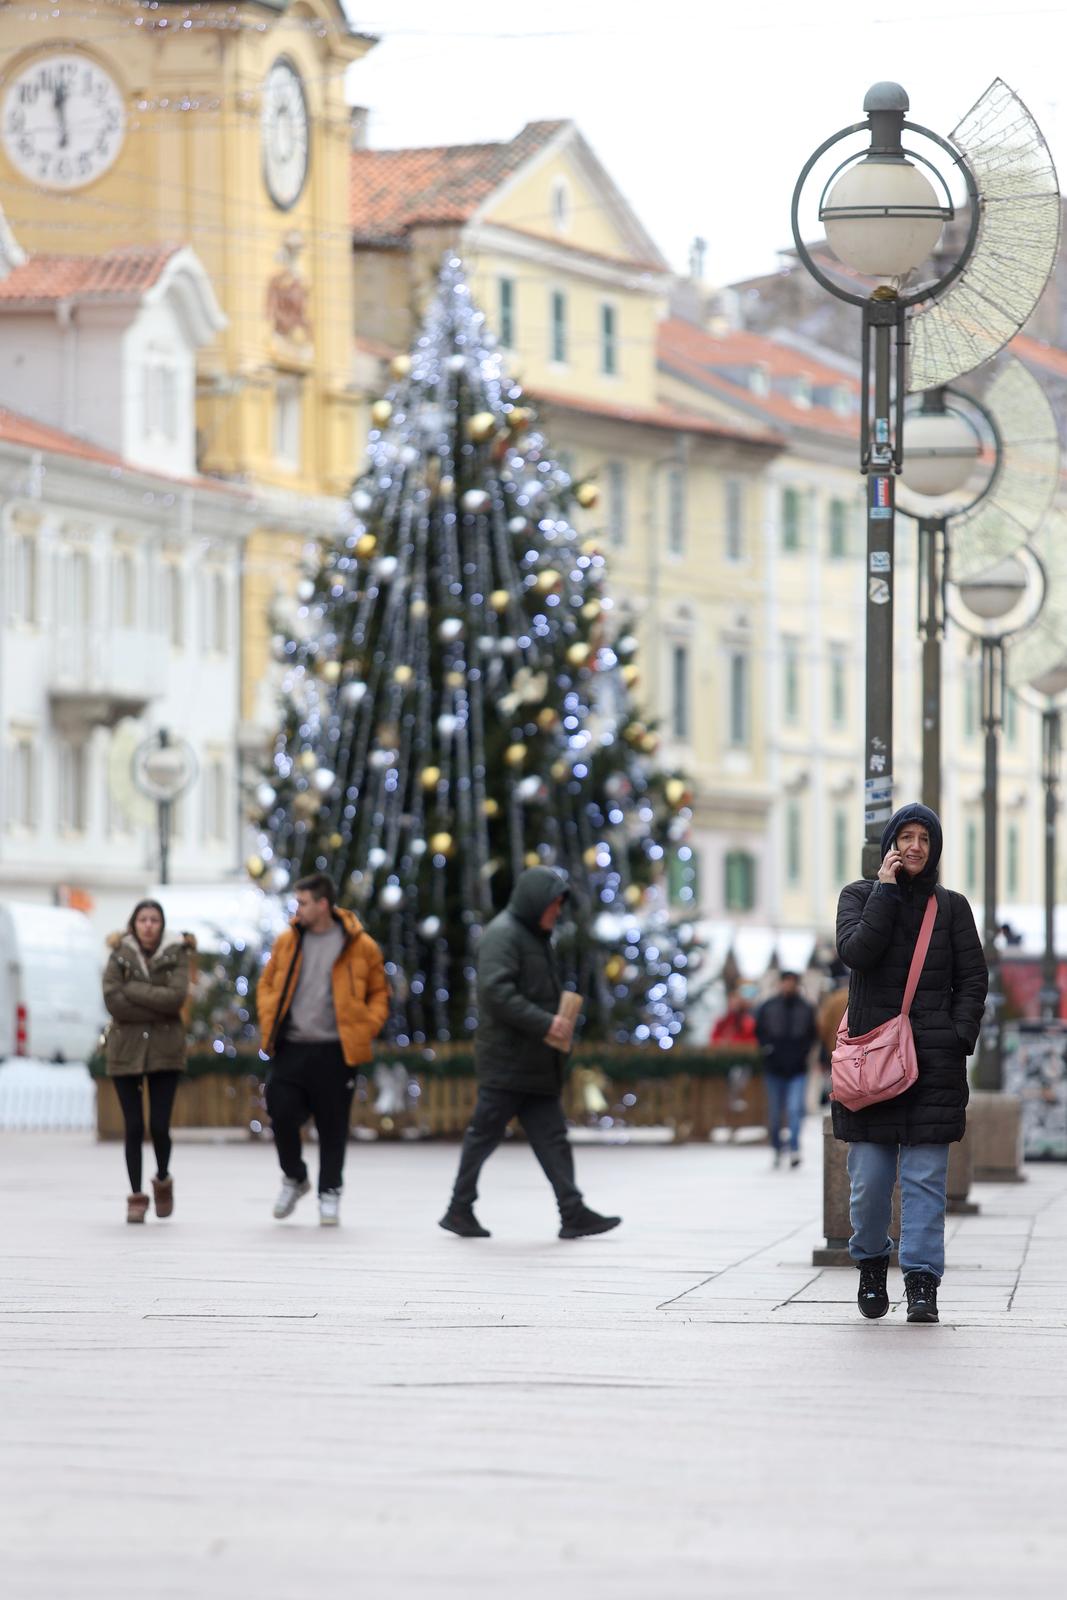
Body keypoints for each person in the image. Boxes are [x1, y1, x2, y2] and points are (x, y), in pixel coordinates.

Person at [835, 803, 987, 1325]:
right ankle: (873, 1264)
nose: (916, 846)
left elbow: (972, 979)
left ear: (936, 847)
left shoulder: (952, 908)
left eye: (925, 837)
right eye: (906, 836)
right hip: (875, 1062)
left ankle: (923, 1284)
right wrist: (884, 891)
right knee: (870, 1181)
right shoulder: (858, 896)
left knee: (925, 1180)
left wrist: (956, 1037)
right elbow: (857, 953)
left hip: (933, 1066)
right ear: (889, 846)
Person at [439, 865, 621, 1240]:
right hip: (508, 1061)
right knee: (484, 1134)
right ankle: (459, 1209)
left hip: (533, 1062)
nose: (557, 913)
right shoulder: (504, 935)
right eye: (553, 905)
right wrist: (545, 1022)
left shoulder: (531, 934)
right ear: (536, 902)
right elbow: (495, 992)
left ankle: (572, 1212)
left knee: (550, 1137)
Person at [256, 872, 390, 1227]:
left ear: (323, 905)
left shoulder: (360, 945)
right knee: (280, 1111)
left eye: (302, 902)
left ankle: (329, 1193)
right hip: (291, 1046)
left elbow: (379, 992)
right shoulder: (288, 941)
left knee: (333, 1126)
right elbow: (267, 982)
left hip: (336, 1050)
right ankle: (295, 1177)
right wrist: (269, 1012)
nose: (296, 909)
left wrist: (367, 1025)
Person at [102, 900, 194, 1224]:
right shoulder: (119, 953)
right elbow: (114, 1001)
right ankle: (136, 1195)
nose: (149, 925)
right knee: (133, 1126)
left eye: (154, 919)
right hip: (125, 1051)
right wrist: (156, 1005)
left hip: (165, 1051)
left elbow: (176, 998)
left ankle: (163, 1178)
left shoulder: (177, 952)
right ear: (134, 923)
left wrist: (134, 990)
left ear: (162, 924)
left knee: (158, 1125)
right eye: (143, 919)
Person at [755, 971, 816, 1168]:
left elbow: (812, 1035)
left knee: (794, 1110)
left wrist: (804, 1054)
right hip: (774, 1069)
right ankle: (776, 1147)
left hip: (797, 1069)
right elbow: (760, 1032)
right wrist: (768, 1050)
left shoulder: (806, 1008)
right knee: (775, 1114)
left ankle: (794, 1147)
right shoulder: (768, 1006)